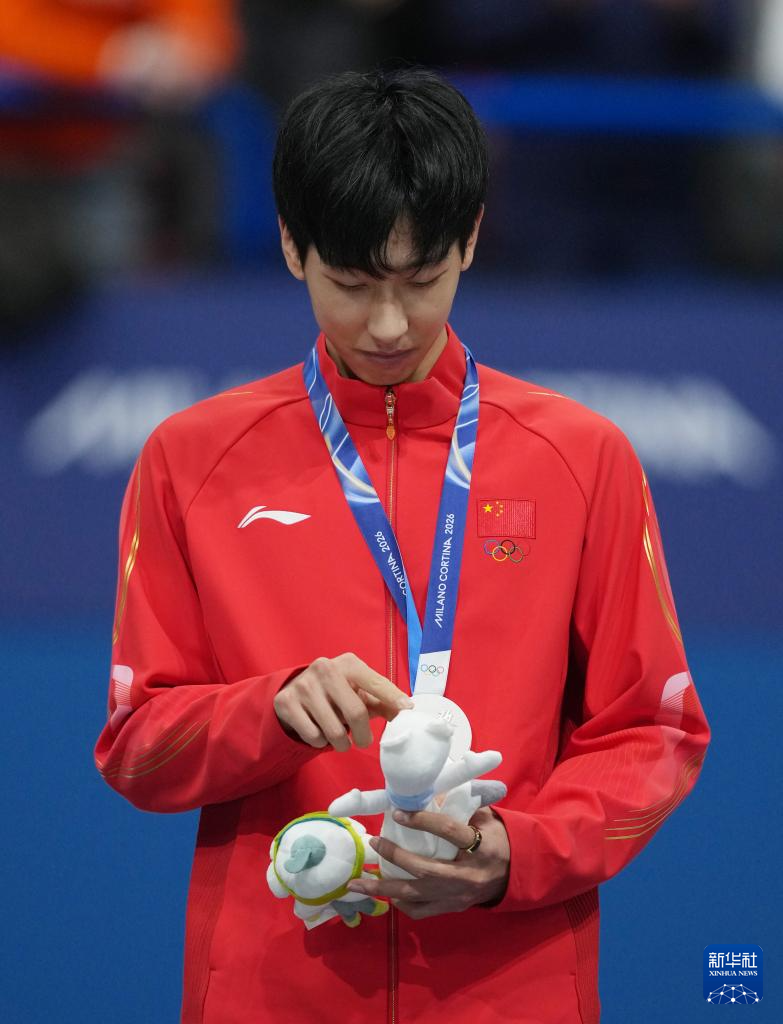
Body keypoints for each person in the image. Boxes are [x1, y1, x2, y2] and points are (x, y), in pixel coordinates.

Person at [94, 67, 711, 1024]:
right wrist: (270, 710)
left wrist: (518, 850)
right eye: (350, 283)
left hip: (509, 987)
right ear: (291, 246)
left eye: (421, 281)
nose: (387, 324)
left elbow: (653, 730)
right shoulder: (193, 459)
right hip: (272, 989)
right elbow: (136, 746)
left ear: (470, 239)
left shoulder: (581, 457)